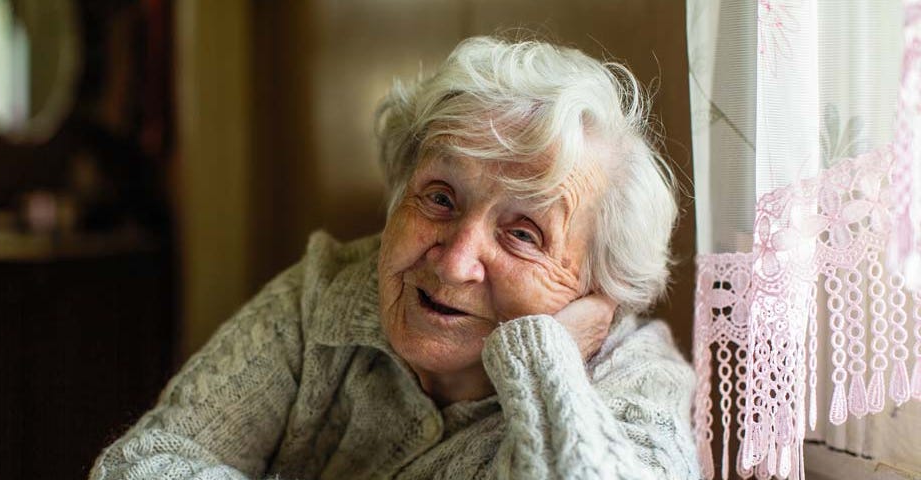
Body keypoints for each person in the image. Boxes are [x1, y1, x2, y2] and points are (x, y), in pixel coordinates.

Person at [90, 36, 699, 479]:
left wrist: (545, 358)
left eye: (523, 235)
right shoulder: (326, 297)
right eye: (440, 198)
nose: (456, 260)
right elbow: (139, 467)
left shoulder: (639, 383)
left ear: (598, 285)